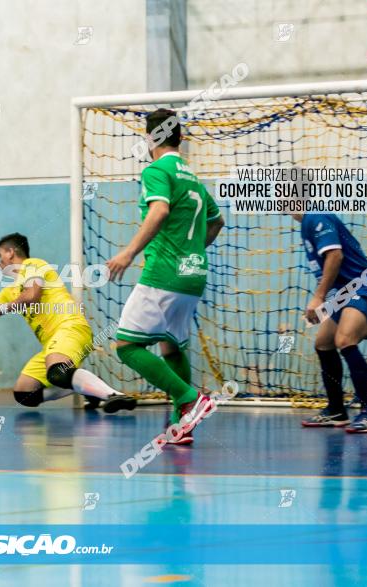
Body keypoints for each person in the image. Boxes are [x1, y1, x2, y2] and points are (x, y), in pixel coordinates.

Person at [104, 109, 225, 443]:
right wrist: (193, 249)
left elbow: (159, 210)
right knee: (170, 347)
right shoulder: (193, 178)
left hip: (164, 274)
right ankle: (181, 426)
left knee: (126, 346)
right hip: (193, 275)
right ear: (180, 138)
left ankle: (191, 399)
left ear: (149, 139)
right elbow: (217, 221)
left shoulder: (156, 170)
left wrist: (128, 253)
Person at [0, 232, 134, 411]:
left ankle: (113, 395)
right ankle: (86, 386)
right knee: (25, 394)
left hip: (70, 329)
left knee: (58, 373)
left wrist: (2, 307)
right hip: (52, 345)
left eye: (0, 256)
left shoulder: (34, 265)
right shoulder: (10, 291)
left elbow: (32, 295)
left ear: (10, 252)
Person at [294, 212, 367, 433]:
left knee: (344, 339)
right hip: (343, 295)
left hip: (365, 287)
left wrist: (318, 297)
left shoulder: (316, 217)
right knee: (323, 343)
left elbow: (335, 255)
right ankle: (336, 411)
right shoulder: (307, 223)